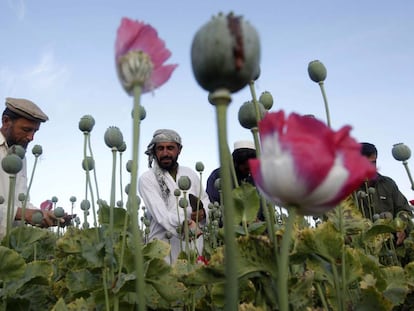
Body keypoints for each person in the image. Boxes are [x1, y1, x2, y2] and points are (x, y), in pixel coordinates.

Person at [138, 129, 209, 264]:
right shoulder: (147, 179)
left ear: (179, 150)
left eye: (170, 148)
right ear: (154, 151)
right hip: (163, 247)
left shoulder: (191, 174)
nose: (165, 153)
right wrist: (185, 224)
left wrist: (203, 213)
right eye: (160, 148)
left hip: (194, 245)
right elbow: (161, 214)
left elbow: (205, 200)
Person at [0, 97, 60, 239]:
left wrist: (42, 215)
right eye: (26, 130)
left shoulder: (20, 156)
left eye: (35, 131)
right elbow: (21, 211)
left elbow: (22, 202)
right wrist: (23, 214)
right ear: (6, 121)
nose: (31, 137)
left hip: (10, 246)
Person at [359, 142, 413, 245]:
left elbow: (405, 210)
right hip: (361, 250)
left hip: (391, 247)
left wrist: (402, 228)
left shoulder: (388, 184)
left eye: (373, 163)